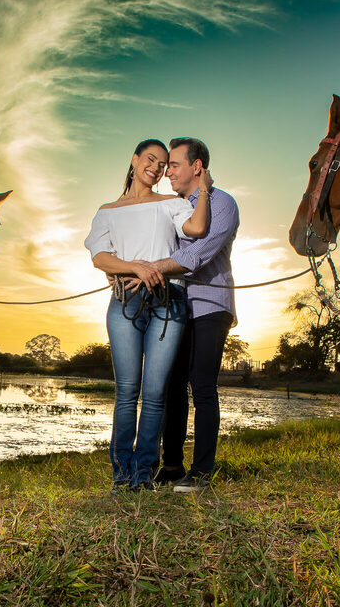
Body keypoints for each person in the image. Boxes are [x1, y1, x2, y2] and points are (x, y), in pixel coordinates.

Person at [84, 138, 211, 492]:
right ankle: (121, 475)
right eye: (150, 159)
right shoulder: (107, 210)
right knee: (126, 392)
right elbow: (100, 258)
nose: (156, 168)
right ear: (135, 159)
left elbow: (197, 230)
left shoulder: (172, 203)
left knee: (154, 394)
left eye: (163, 163)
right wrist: (136, 268)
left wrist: (204, 189)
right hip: (124, 302)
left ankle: (143, 476)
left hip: (167, 302)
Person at [148, 137, 239, 493]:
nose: (166, 171)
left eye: (173, 164)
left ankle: (202, 473)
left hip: (211, 305)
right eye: (166, 165)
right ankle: (171, 466)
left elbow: (199, 253)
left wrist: (153, 267)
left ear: (197, 167)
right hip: (175, 305)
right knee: (172, 386)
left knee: (201, 385)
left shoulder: (223, 203)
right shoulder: (172, 207)